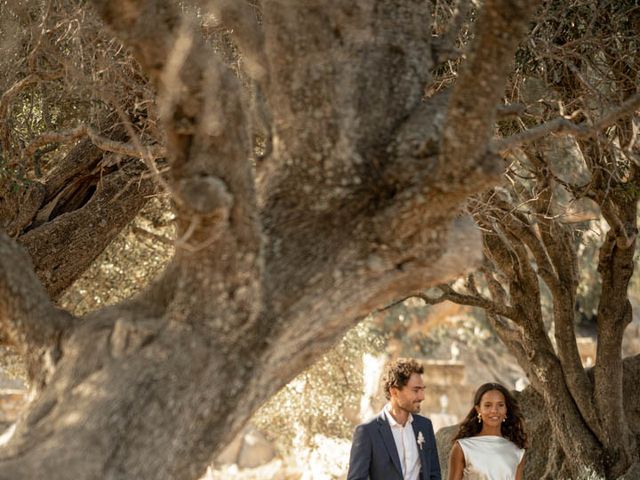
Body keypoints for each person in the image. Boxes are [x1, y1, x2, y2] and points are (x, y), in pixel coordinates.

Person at [347, 358, 441, 480]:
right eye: (416, 390)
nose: (422, 396)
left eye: (423, 389)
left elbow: (434, 474)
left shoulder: (425, 426)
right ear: (394, 392)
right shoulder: (367, 431)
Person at [447, 382, 527, 480]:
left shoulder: (517, 452)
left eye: (500, 405)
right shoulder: (463, 448)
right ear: (478, 409)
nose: (494, 410)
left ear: (506, 409)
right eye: (488, 405)